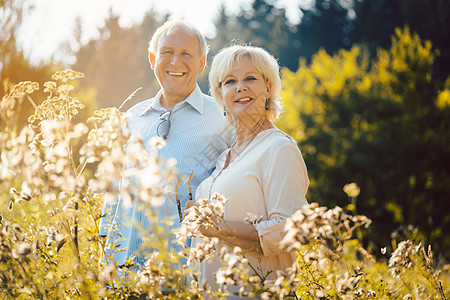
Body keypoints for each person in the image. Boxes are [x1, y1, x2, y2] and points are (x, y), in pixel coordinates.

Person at [99, 20, 233, 270]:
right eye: (167, 52)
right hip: (125, 270)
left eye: (186, 54)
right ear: (152, 59)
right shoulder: (131, 117)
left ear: (202, 63)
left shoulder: (223, 119)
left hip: (184, 271)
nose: (175, 62)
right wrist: (104, 252)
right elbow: (113, 192)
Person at [187, 45, 309, 292]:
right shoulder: (223, 158)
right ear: (220, 95)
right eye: (230, 81)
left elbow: (288, 233)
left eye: (250, 78)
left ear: (268, 88)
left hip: (257, 291)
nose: (240, 86)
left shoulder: (279, 148)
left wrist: (220, 227)